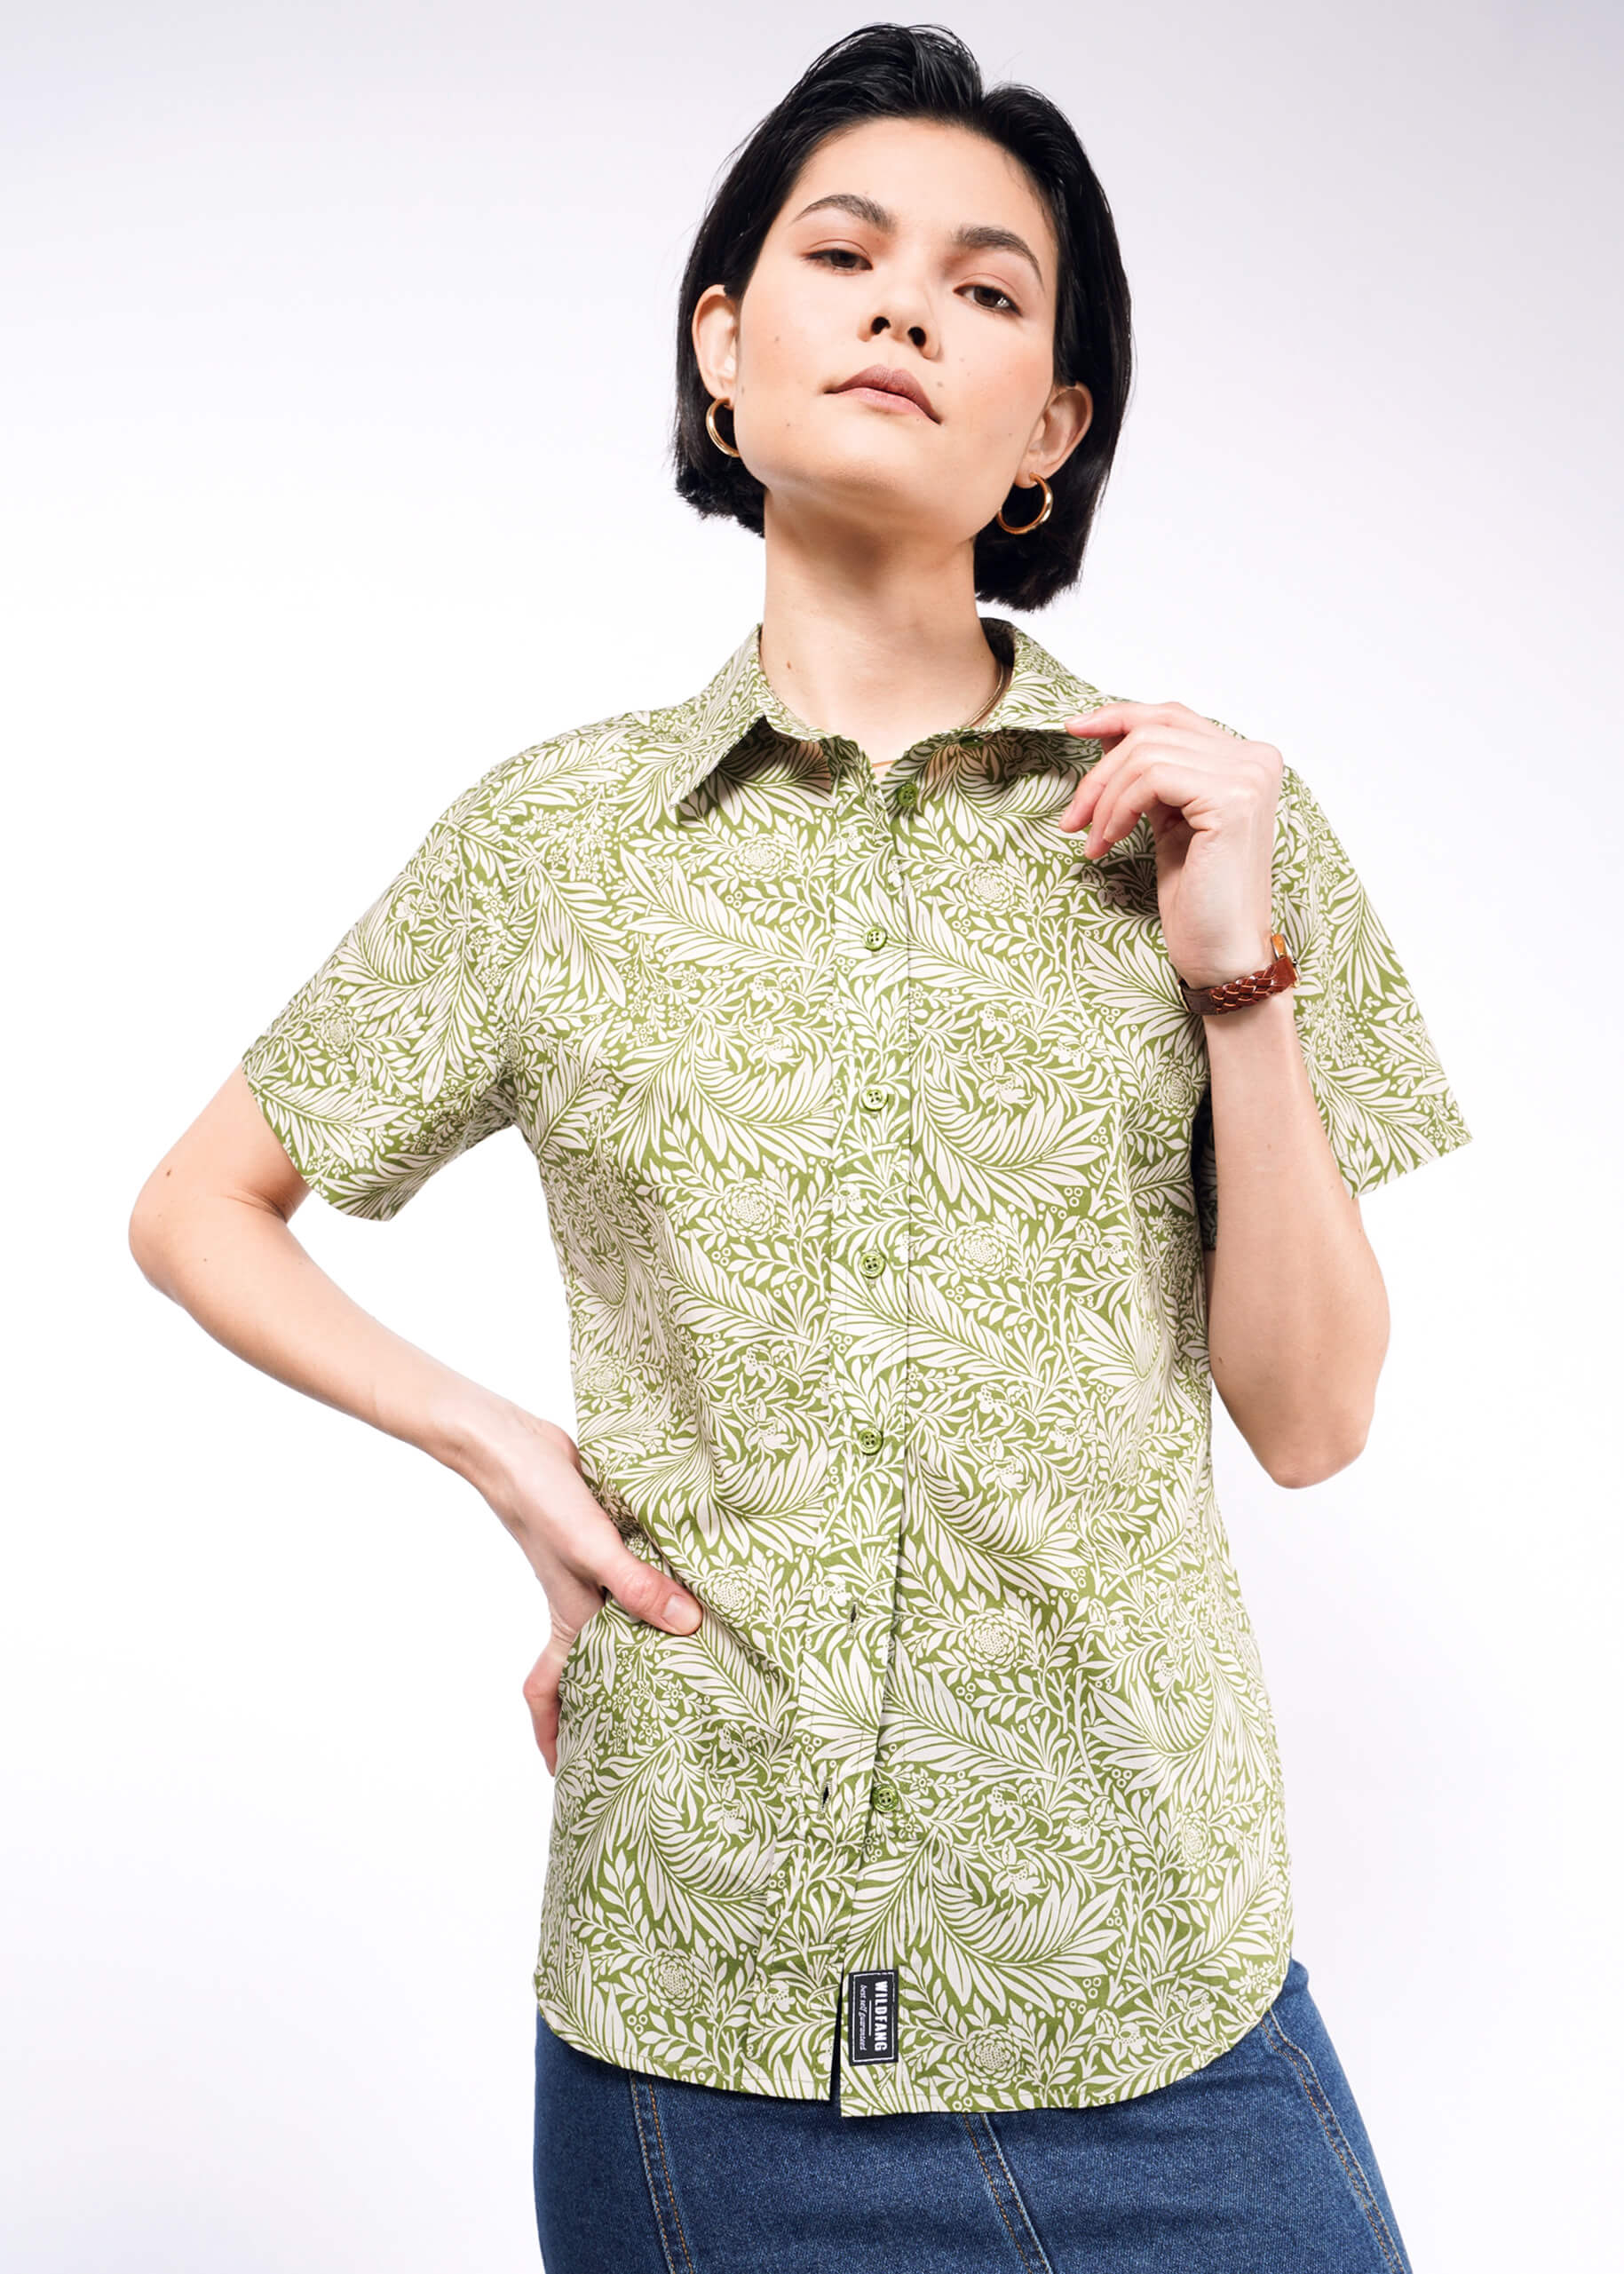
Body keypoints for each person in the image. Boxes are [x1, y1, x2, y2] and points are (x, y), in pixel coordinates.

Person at [129, 22, 1471, 2272]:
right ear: (727, 348)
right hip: (699, 2008)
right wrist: (512, 1460)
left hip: (1150, 1991)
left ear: (1048, 430)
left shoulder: (1211, 810)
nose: (905, 307)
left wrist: (1237, 971)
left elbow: (1315, 1420)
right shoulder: (555, 842)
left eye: (987, 287)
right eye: (842, 255)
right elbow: (196, 1209)